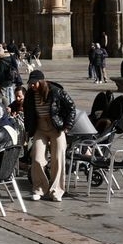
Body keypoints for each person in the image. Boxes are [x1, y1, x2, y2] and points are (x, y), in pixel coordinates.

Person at [23, 69, 76, 202]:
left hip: (56, 128)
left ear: (41, 82)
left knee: (58, 158)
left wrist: (67, 126)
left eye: (34, 83)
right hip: (40, 127)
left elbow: (71, 107)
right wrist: (28, 130)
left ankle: (56, 191)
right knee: (37, 158)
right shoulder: (30, 94)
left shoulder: (56, 91)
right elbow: (28, 112)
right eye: (30, 84)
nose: (32, 86)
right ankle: (39, 189)